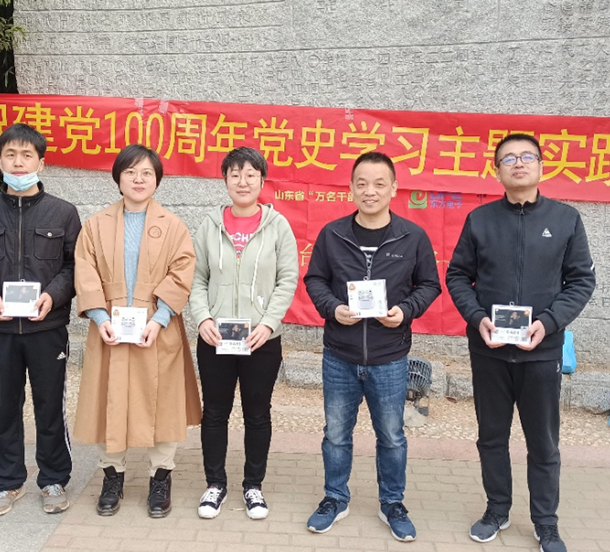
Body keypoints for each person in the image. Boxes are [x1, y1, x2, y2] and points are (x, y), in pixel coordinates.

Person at [446, 133, 595, 552]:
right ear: (497, 171)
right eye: (508, 158)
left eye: (527, 156)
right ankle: (497, 510)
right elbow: (457, 275)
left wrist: (548, 323)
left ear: (541, 166)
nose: (518, 163)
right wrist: (477, 318)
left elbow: (581, 281)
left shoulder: (566, 219)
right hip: (489, 350)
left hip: (541, 353)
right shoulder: (480, 220)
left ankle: (546, 523)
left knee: (543, 442)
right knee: (491, 436)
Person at [303, 151, 441, 541]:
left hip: (389, 357)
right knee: (336, 434)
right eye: (362, 183)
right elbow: (315, 280)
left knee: (392, 436)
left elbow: (430, 284)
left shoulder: (412, 236)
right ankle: (335, 498)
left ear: (394, 188)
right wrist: (333, 308)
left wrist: (405, 311)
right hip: (340, 355)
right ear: (350, 188)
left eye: (379, 184)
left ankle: (392, 503)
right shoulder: (333, 234)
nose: (370, 191)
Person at [73, 144, 201, 518]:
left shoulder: (173, 225)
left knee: (162, 402)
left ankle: (161, 478)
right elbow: (85, 271)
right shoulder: (96, 225)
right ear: (118, 179)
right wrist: (100, 317)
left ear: (157, 180)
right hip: (110, 328)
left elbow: (182, 272)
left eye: (147, 173)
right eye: (130, 172)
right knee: (110, 400)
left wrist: (159, 319)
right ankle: (112, 476)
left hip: (157, 328)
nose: (138, 179)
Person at [0, 123, 82, 516]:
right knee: (5, 406)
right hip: (0, 330)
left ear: (41, 163)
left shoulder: (63, 212)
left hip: (47, 329)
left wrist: (52, 295)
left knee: (50, 405)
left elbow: (74, 267)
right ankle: (6, 481)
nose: (18, 162)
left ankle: (53, 479)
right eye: (11, 155)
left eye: (27, 155)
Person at [189, 147, 299, 520]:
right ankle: (214, 484)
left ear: (262, 180)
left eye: (251, 174)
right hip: (216, 337)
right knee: (215, 412)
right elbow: (197, 278)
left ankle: (253, 486)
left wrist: (268, 323)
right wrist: (202, 318)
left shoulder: (278, 226)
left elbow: (287, 279)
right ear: (225, 180)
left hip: (261, 339)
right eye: (235, 174)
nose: (243, 181)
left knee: (257, 413)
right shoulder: (209, 225)